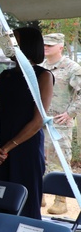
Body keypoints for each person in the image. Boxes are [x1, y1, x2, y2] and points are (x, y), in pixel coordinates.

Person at [0, 27, 53, 232]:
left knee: (25, 209)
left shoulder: (43, 76)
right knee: (0, 209)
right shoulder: (4, 76)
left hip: (24, 151)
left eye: (13, 40)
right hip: (0, 151)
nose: (8, 44)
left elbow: (39, 120)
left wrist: (8, 147)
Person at [41, 32, 81, 214]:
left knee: (61, 161)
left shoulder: (72, 68)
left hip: (59, 124)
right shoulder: (40, 67)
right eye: (45, 44)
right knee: (39, 159)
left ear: (61, 47)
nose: (46, 47)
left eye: (50, 44)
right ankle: (39, 193)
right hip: (39, 123)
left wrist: (70, 113)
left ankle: (61, 200)